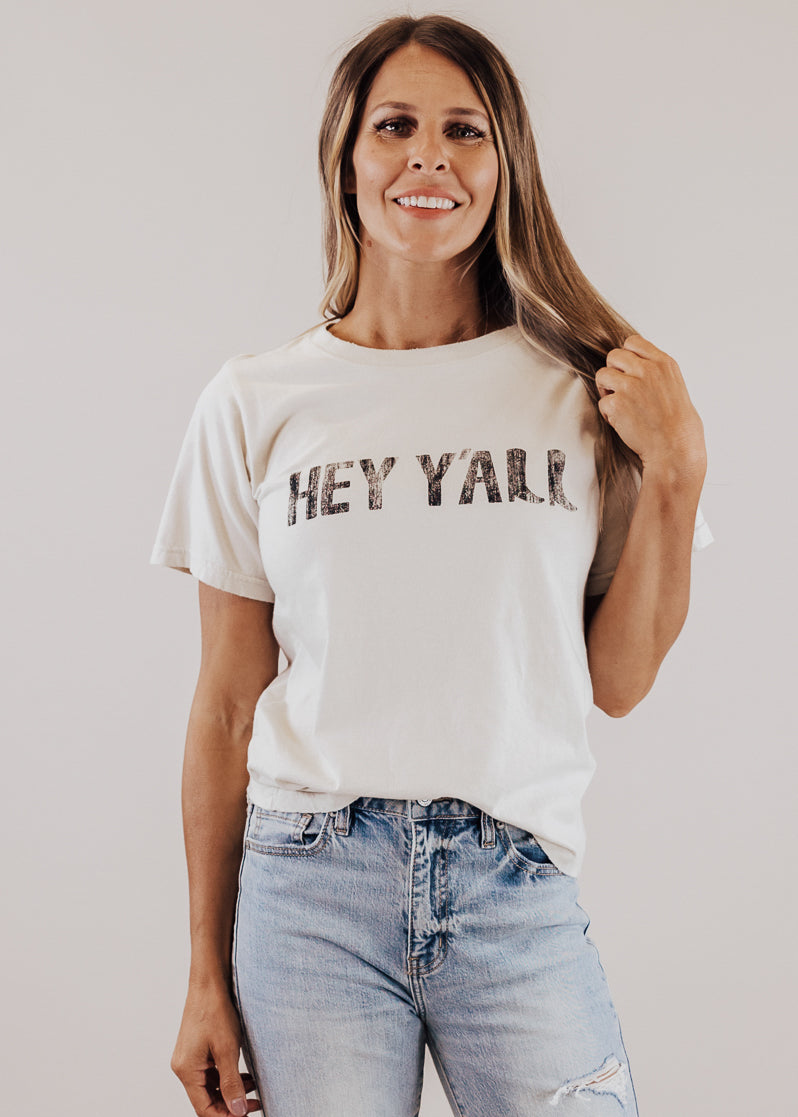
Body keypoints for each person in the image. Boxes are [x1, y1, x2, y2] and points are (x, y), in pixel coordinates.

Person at [151, 14, 712, 1117]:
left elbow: (618, 680)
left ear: (506, 165)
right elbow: (224, 705)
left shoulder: (583, 393)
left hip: (516, 888)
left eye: (465, 131)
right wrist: (204, 974)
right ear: (345, 157)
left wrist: (679, 469)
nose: (429, 158)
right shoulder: (255, 401)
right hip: (309, 893)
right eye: (395, 126)